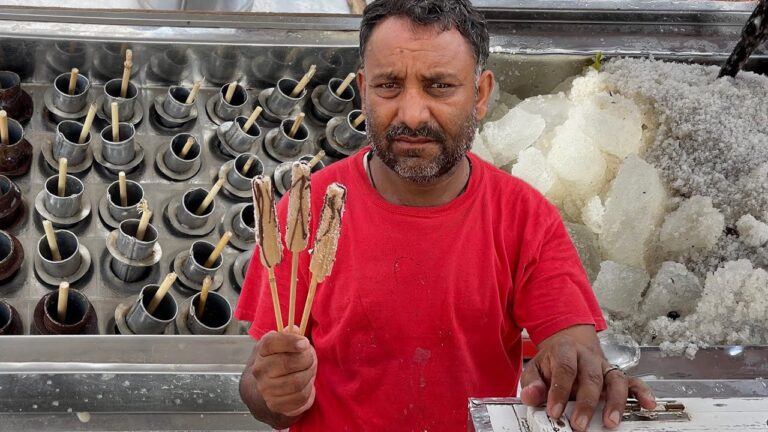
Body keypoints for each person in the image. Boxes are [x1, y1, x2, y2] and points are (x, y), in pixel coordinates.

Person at [235, 0, 656, 430]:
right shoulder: (310, 209)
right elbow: (261, 392)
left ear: (481, 95)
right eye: (389, 86)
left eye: (439, 87)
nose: (412, 114)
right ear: (363, 88)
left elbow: (571, 339)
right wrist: (272, 389)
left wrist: (579, 369)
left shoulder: (525, 216)